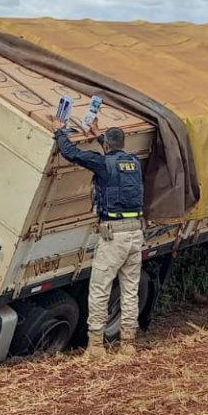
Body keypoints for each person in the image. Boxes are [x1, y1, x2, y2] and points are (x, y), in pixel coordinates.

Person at [54, 124, 145, 357]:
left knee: (99, 290)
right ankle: (128, 344)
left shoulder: (103, 163)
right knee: (130, 291)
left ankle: (95, 346)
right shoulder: (134, 162)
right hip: (136, 233)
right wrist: (99, 137)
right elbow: (113, 156)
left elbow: (72, 153)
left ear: (105, 146)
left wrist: (59, 132)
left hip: (114, 236)